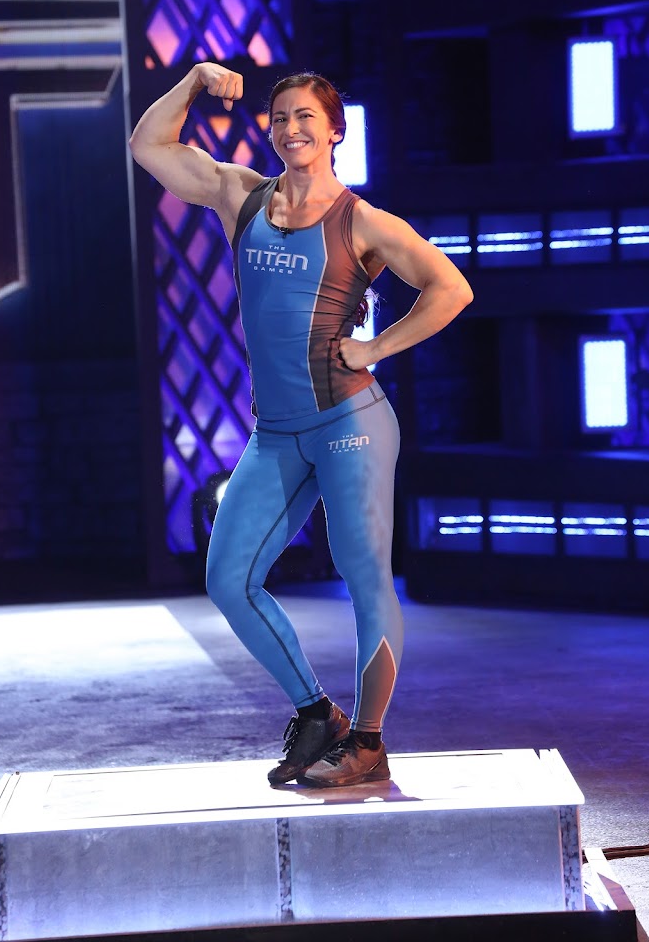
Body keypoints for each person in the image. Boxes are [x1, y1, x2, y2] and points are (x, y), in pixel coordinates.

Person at [130, 62, 473, 788]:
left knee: (363, 576)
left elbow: (451, 287)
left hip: (351, 422)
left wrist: (377, 347)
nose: (290, 129)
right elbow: (148, 147)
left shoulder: (363, 221)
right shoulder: (241, 196)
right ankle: (319, 714)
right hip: (276, 433)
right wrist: (192, 81)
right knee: (229, 579)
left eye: (305, 118)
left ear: (335, 132)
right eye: (280, 118)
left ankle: (369, 742)